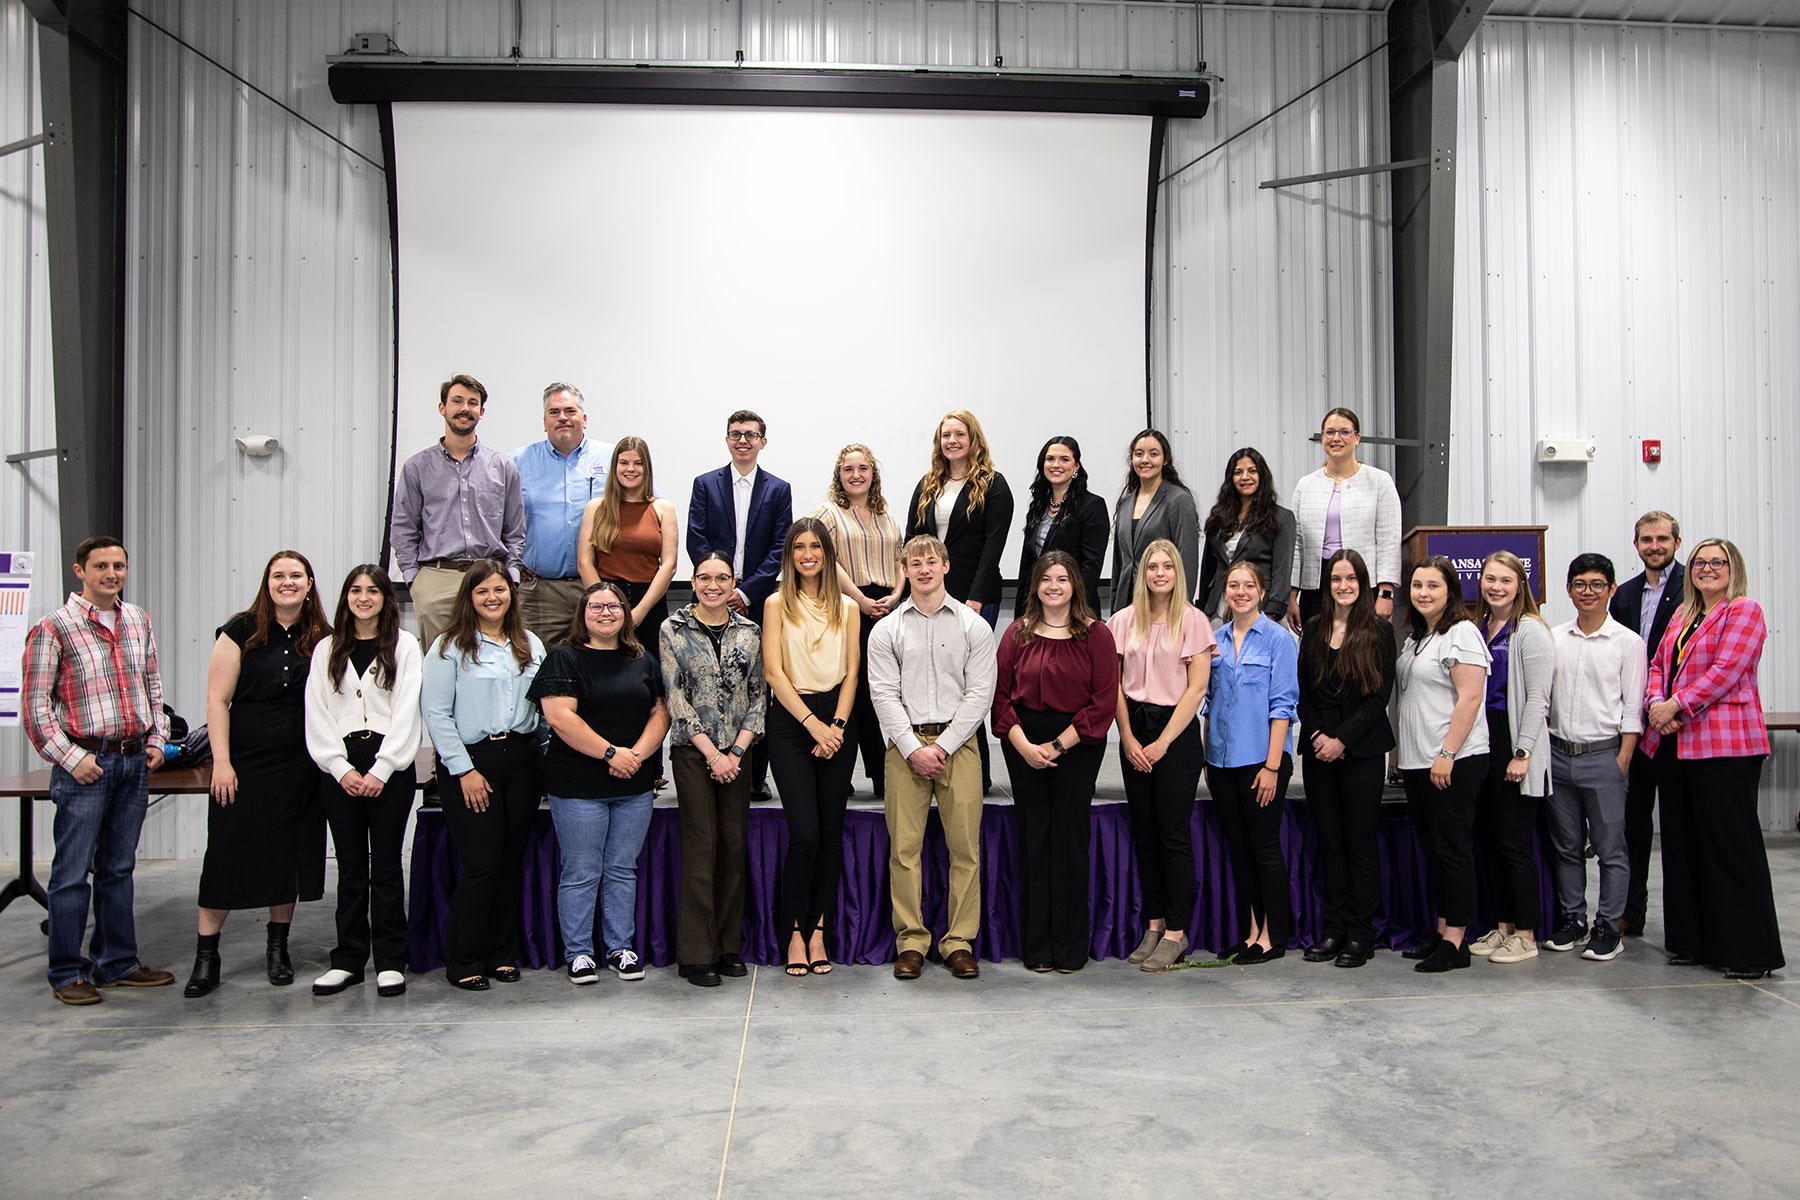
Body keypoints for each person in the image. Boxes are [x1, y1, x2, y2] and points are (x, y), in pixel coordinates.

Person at [22, 536, 175, 1005]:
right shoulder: (55, 628)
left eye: (119, 566)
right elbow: (35, 708)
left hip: (133, 762)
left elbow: (153, 685)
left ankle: (117, 963)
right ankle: (68, 972)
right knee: (71, 874)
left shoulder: (136, 620)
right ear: (79, 571)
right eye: (102, 566)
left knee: (118, 868)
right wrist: (73, 760)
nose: (112, 573)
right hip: (85, 764)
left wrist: (156, 739)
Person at [187, 550, 332, 998]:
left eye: (296, 575)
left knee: (286, 859)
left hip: (301, 766)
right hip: (244, 765)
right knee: (226, 856)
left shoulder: (324, 636)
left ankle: (278, 950)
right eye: (278, 575)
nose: (287, 582)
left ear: (310, 583)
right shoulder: (240, 630)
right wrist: (222, 761)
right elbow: (217, 701)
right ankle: (206, 957)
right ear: (266, 582)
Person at [1643, 539, 1783, 979]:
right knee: (1683, 846)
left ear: (1732, 568)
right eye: (1700, 562)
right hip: (1677, 744)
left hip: (1725, 746)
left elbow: (1726, 671)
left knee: (1729, 848)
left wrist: (1675, 705)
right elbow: (1657, 667)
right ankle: (1693, 942)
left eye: (1716, 562)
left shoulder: (1744, 610)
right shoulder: (1683, 615)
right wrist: (1654, 703)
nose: (1707, 569)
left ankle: (1747, 951)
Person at [867, 535, 998, 982]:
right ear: (904, 570)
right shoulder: (887, 629)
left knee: (965, 850)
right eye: (914, 562)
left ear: (945, 566)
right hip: (904, 748)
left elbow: (981, 694)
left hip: (958, 746)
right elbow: (882, 694)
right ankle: (911, 942)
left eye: (931, 561)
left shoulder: (972, 625)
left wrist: (941, 747)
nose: (923, 569)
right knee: (904, 851)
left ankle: (959, 942)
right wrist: (912, 747)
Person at [531, 581, 670, 985]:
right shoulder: (563, 658)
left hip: (633, 783)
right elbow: (560, 717)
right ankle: (578, 953)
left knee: (622, 868)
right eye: (597, 606)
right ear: (583, 613)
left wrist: (636, 757)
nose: (606, 613)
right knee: (581, 869)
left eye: (614, 606)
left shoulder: (641, 658)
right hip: (578, 785)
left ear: (626, 613)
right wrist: (612, 754)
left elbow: (659, 712)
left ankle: (621, 948)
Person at [420, 560, 545, 991]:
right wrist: (464, 771)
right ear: (468, 598)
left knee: (511, 864)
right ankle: (464, 960)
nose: (493, 598)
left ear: (512, 593)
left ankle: (500, 954)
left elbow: (543, 713)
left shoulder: (529, 644)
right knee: (482, 865)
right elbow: (435, 714)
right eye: (482, 592)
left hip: (523, 759)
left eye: (500, 589)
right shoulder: (448, 647)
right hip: (473, 762)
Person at [994, 551, 1118, 973]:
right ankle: (1037, 948)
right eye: (1045, 579)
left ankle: (1068, 948)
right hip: (1023, 744)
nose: (1053, 586)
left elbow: (1102, 703)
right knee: (1034, 842)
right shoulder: (1016, 634)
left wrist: (1058, 746)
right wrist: (1027, 747)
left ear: (1075, 586)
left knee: (1068, 842)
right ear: (1034, 586)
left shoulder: (1097, 635)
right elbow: (1001, 700)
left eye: (1062, 579)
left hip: (1077, 747)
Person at [303, 565, 422, 998]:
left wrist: (382, 769)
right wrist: (341, 769)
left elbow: (409, 711)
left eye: (373, 590)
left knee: (387, 865)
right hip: (341, 767)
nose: (364, 597)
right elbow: (316, 713)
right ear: (346, 598)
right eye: (356, 590)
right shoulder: (326, 648)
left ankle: (391, 960)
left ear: (386, 599)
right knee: (351, 867)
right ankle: (348, 959)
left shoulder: (405, 646)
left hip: (388, 765)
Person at [1107, 540, 1214, 973]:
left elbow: (1197, 689)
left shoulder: (1192, 620)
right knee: (1146, 835)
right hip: (1134, 730)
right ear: (1142, 573)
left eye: (1168, 565)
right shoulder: (1121, 621)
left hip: (1176, 735)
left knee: (1173, 835)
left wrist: (1162, 743)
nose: (1159, 573)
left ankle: (1176, 932)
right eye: (1152, 566)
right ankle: (1153, 924)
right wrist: (1129, 738)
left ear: (1178, 572)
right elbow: (1112, 685)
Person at [659, 553, 766, 987]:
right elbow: (674, 697)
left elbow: (759, 696)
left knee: (733, 848)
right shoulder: (673, 629)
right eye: (705, 578)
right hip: (694, 753)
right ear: (693, 581)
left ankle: (727, 947)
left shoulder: (751, 632)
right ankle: (696, 953)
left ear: (733, 582)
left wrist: (736, 753)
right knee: (702, 848)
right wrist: (712, 754)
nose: (713, 585)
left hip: (738, 754)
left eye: (722, 578)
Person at [763, 517, 861, 976]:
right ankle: (793, 932)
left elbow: (852, 674)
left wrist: (836, 725)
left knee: (830, 834)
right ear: (790, 553)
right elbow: (773, 673)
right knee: (804, 834)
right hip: (791, 721)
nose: (807, 554)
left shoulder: (848, 606)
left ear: (826, 553)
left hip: (838, 721)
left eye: (815, 547)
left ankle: (818, 928)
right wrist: (813, 727)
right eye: (799, 547)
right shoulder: (775, 603)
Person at [904, 410, 1014, 793]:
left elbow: (993, 547)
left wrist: (975, 599)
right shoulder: (928, 484)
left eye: (959, 434)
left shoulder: (993, 485)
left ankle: (975, 777)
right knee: (935, 683)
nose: (952, 441)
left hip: (974, 598)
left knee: (969, 688)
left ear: (973, 439)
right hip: (929, 597)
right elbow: (912, 542)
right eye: (945, 435)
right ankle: (930, 769)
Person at [1296, 549, 1395, 970]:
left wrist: (1343, 741)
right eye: (1336, 579)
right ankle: (1332, 929)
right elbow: (1301, 692)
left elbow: (1379, 699)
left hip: (1362, 752)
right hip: (1319, 750)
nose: (1343, 586)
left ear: (1364, 582)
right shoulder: (1314, 628)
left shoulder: (1379, 630)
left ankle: (1360, 933)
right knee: (1331, 844)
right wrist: (1320, 736)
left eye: (1351, 578)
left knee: (1359, 844)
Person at [688, 409, 793, 800]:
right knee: (710, 683)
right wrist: (721, 585)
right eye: (735, 434)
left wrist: (745, 592)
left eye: (751, 435)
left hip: (759, 601)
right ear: (727, 440)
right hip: (713, 598)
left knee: (757, 687)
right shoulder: (705, 484)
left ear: (763, 442)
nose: (743, 440)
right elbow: (697, 540)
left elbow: (781, 546)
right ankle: (709, 762)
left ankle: (754, 775)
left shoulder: (778, 489)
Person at [1545, 554, 1645, 964]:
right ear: (1569, 590)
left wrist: (1622, 761)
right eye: (1580, 584)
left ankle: (1608, 925)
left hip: (1603, 757)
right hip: (1558, 756)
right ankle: (1574, 919)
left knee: (1610, 850)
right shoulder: (1554, 637)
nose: (1588, 591)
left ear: (1611, 590)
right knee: (1566, 846)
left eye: (1597, 584)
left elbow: (1633, 710)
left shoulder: (1628, 643)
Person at [1394, 555, 1491, 974]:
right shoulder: (1417, 637)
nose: (1423, 593)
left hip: (1453, 760)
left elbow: (1470, 698)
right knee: (1434, 851)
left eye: (1433, 586)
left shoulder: (1462, 632)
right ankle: (1441, 931)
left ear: (1450, 590)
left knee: (1452, 851)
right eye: (1417, 586)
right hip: (1420, 763)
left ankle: (1457, 942)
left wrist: (1447, 753)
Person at [1202, 561, 1299, 965]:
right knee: (1239, 851)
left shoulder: (1278, 640)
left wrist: (1273, 767)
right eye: (1233, 585)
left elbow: (1283, 705)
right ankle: (1250, 932)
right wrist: (1207, 757)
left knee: (1263, 849)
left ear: (1261, 592)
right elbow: (1207, 702)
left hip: (1262, 761)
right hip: (1222, 761)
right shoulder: (1215, 640)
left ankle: (1271, 936)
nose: (1240, 592)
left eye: (1248, 586)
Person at [391, 373, 525, 655]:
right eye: (457, 401)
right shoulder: (417, 467)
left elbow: (515, 530)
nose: (465, 408)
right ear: (443, 408)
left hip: (489, 577)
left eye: (472, 403)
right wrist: (414, 579)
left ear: (481, 412)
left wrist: (510, 576)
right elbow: (403, 529)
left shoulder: (503, 466)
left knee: (492, 661)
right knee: (440, 664)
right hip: (437, 579)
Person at [1468, 551, 1553, 965]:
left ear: (1521, 585)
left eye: (1505, 579)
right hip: (1484, 738)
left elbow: (1538, 697)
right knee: (1492, 840)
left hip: (1514, 740)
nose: (1496, 587)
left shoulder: (1530, 630)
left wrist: (1523, 752)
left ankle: (1526, 933)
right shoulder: (1482, 626)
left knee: (1515, 844)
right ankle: (1502, 928)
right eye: (1489, 579)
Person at [1608, 510, 1685, 938]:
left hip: (1676, 726)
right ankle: (1630, 911)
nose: (1654, 546)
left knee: (1675, 825)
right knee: (1633, 825)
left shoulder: (1692, 588)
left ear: (1676, 541)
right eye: (1646, 540)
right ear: (1636, 544)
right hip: (1634, 727)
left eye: (1662, 539)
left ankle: (1683, 920)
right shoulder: (1626, 595)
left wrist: (1669, 709)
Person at [812, 443, 903, 799]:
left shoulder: (886, 516)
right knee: (856, 694)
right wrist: (861, 601)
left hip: (888, 608)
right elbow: (824, 561)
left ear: (872, 474)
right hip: (850, 609)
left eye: (863, 468)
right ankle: (856, 775)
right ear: (839, 474)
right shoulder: (828, 514)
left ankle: (885, 775)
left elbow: (900, 559)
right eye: (848, 469)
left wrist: (895, 596)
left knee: (883, 693)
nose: (856, 475)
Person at [511, 382, 608, 647]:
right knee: (538, 669)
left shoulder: (613, 459)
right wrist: (512, 561)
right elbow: (493, 518)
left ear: (584, 419)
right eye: (554, 412)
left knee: (598, 671)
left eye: (570, 410)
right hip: (540, 593)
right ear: (544, 422)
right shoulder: (516, 462)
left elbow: (649, 506)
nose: (562, 417)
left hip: (598, 588)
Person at [1286, 408, 1402, 630]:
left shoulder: (1379, 481)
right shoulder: (1306, 485)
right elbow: (1297, 543)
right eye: (1330, 432)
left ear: (1357, 438)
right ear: (1322, 438)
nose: (1336, 438)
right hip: (1316, 583)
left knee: (1363, 647)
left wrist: (1386, 592)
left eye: (1344, 432)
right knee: (1317, 648)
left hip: (1363, 581)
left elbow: (1389, 538)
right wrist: (1292, 595)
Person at [578, 436, 679, 648]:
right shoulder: (596, 508)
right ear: (615, 467)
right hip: (606, 601)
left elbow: (669, 565)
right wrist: (604, 605)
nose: (630, 469)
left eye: (638, 463)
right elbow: (584, 562)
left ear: (647, 468)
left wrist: (640, 611)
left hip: (650, 602)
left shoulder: (663, 509)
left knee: (650, 669)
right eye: (624, 463)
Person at [1198, 447, 1295, 626]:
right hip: (1219, 610)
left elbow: (1282, 571)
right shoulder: (1218, 517)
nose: (1245, 477)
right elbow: (1208, 569)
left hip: (1262, 611)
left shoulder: (1281, 518)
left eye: (1252, 471)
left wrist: (1272, 614)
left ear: (1262, 476)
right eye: (1238, 472)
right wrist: (1202, 609)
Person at [1014, 435, 1108, 618]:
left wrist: (1073, 608)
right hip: (1036, 607)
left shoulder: (1092, 506)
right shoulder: (1038, 507)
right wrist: (1020, 614)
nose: (1056, 465)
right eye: (1050, 459)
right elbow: (1027, 564)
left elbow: (1090, 567)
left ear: (1076, 467)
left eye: (1064, 459)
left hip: (1074, 609)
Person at [1110, 429, 1199, 614]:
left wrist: (1182, 609)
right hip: (1127, 605)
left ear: (1165, 460)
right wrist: (1114, 608)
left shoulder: (1178, 500)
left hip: (1164, 605)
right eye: (1139, 454)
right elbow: (1119, 564)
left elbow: (1187, 560)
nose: (1145, 460)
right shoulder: (1126, 503)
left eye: (1153, 454)